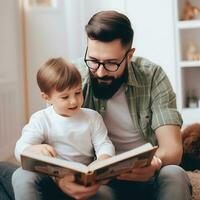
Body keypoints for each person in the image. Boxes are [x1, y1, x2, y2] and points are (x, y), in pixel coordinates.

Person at [0, 10, 192, 200]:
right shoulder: (75, 76)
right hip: (96, 182)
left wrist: (153, 164)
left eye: (111, 63)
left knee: (174, 173)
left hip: (145, 177)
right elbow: (43, 142)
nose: (99, 72)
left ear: (129, 55)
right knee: (10, 173)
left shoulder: (152, 77)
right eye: (93, 61)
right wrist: (60, 178)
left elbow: (172, 149)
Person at [12, 57, 115, 200]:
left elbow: (104, 144)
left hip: (81, 182)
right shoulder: (41, 119)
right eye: (65, 97)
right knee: (21, 175)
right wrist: (31, 149)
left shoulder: (92, 118)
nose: (74, 101)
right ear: (46, 97)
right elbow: (20, 147)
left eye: (78, 92)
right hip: (52, 180)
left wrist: (103, 159)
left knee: (106, 194)